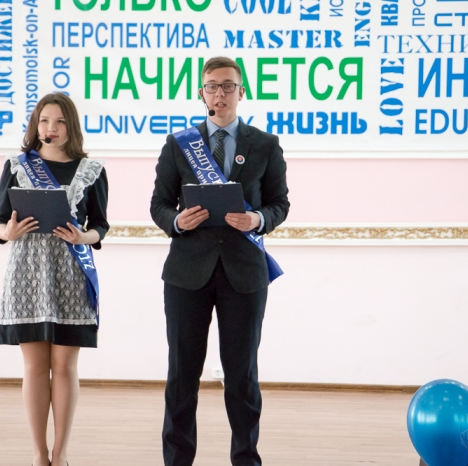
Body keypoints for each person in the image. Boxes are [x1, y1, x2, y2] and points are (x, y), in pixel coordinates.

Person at [150, 56, 290, 466]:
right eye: (212, 86)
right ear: (201, 93)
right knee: (182, 375)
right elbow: (159, 204)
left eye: (228, 86)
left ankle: (246, 458)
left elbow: (280, 204)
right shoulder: (178, 144)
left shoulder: (265, 144)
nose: (220, 93)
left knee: (242, 376)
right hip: (186, 273)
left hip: (244, 273)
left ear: (242, 92)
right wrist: (177, 221)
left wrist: (257, 219)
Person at [0, 92, 108, 466]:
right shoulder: (16, 166)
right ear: (35, 124)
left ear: (70, 125)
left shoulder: (92, 170)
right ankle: (39, 454)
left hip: (71, 272)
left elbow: (100, 225)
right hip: (27, 273)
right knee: (34, 367)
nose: (51, 128)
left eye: (59, 121)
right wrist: (8, 232)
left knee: (64, 366)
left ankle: (61, 453)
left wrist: (83, 237)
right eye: (44, 120)